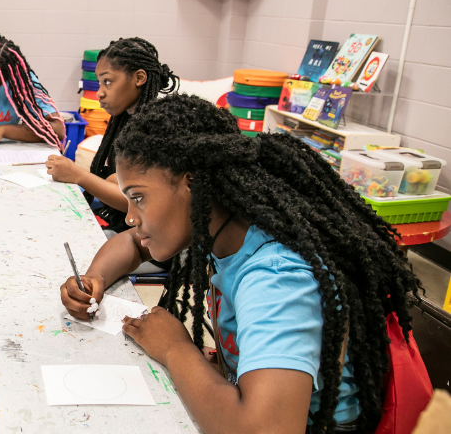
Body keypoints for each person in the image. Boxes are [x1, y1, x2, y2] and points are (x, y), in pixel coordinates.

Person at [60, 94, 422, 432]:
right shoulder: (220, 222)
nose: (131, 218)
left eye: (138, 198)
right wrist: (95, 277)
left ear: (193, 185)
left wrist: (175, 349)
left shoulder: (277, 277)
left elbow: (266, 429)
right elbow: (133, 244)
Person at [46, 38, 178, 237]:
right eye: (99, 83)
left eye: (107, 81)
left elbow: (141, 204)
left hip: (153, 239)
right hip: (124, 224)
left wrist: (78, 175)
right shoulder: (126, 119)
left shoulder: (158, 128)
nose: (99, 92)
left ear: (139, 78)